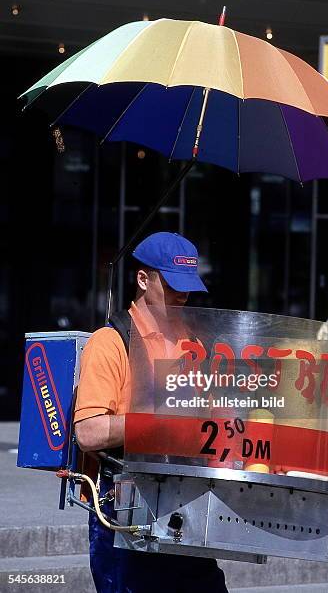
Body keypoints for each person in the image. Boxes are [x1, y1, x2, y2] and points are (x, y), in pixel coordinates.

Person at [74, 232, 228, 593]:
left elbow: (215, 414)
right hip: (124, 508)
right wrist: (158, 422)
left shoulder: (195, 343)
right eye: (173, 284)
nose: (183, 295)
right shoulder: (110, 342)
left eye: (189, 285)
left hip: (187, 500)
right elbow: (89, 432)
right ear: (143, 279)